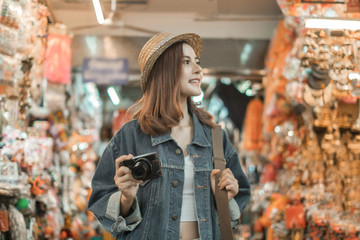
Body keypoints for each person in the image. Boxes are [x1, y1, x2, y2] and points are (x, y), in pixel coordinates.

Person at [88, 32, 251, 240]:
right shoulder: (130, 137)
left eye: (197, 62)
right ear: (164, 71)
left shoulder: (215, 138)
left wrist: (225, 198)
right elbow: (101, 200)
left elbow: (234, 209)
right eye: (186, 62)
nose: (198, 69)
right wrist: (126, 198)